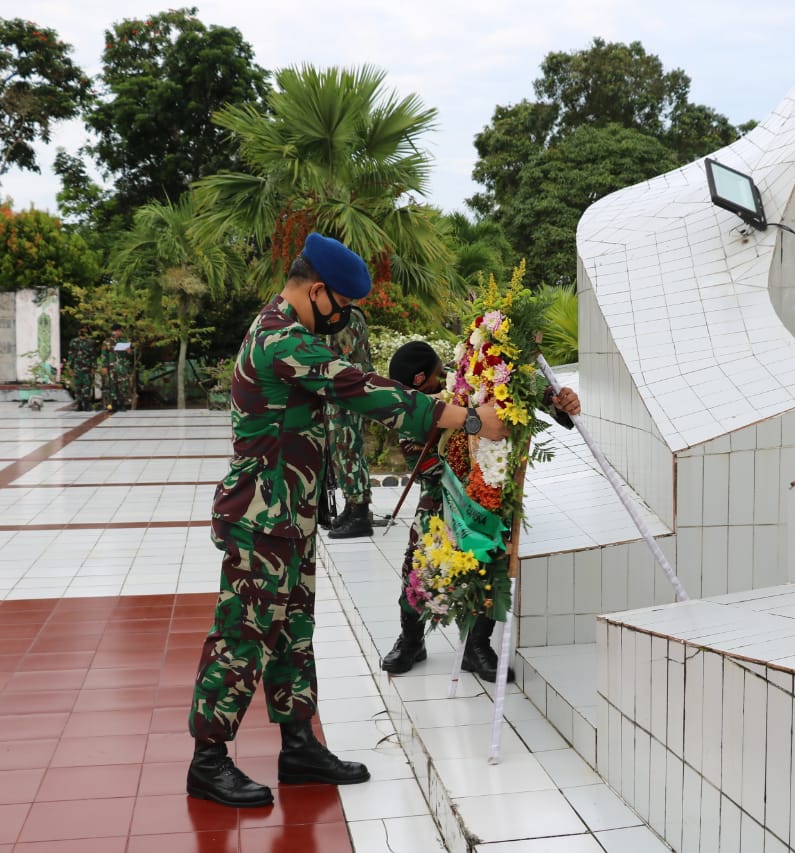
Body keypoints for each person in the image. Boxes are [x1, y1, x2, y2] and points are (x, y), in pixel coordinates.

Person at [186, 233, 508, 810]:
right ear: (317, 291)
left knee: (293, 632)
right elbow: (360, 387)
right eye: (342, 304)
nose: (343, 317)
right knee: (242, 635)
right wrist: (468, 419)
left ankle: (299, 747)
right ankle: (207, 762)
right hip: (262, 519)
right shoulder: (280, 339)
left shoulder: (292, 333)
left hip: (288, 516)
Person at [380, 341, 581, 681]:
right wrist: (467, 422)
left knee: (489, 559)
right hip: (441, 491)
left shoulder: (465, 379)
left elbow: (518, 388)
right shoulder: (410, 407)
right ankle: (411, 639)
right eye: (438, 375)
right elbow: (428, 465)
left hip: (487, 487)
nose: (444, 375)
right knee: (418, 561)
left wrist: (557, 401)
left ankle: (476, 646)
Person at [324, 304, 375, 538]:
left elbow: (345, 357)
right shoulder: (341, 313)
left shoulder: (346, 316)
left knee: (348, 449)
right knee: (342, 450)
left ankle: (359, 514)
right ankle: (352, 506)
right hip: (341, 390)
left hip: (347, 390)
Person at [100, 325, 132, 412]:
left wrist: (129, 352)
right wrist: (104, 366)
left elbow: (129, 355)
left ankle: (122, 404)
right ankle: (113, 404)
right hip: (111, 367)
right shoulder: (107, 342)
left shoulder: (124, 341)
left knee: (123, 385)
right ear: (115, 331)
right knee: (112, 385)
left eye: (121, 331)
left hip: (122, 367)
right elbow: (104, 355)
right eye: (119, 331)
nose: (121, 332)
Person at [66, 325, 98, 411]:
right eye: (81, 329)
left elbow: (93, 356)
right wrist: (70, 367)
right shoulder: (74, 342)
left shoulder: (91, 342)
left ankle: (87, 404)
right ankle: (79, 404)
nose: (83, 331)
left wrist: (94, 367)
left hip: (87, 368)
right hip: (77, 368)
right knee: (78, 387)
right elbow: (71, 355)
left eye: (85, 329)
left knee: (87, 386)